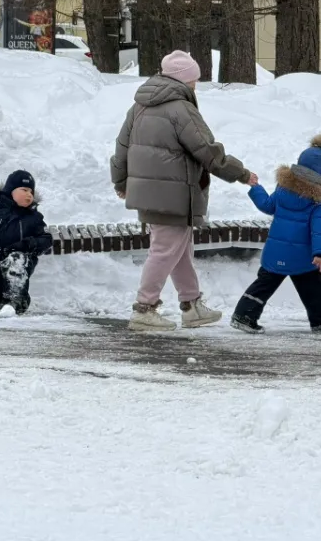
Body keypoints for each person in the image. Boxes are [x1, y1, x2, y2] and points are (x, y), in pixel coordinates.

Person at [111, 50, 258, 331]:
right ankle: (144, 308)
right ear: (183, 79)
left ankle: (191, 306)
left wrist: (121, 182)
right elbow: (208, 152)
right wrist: (241, 173)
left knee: (179, 249)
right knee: (166, 250)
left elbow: (122, 148)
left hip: (152, 193)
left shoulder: (139, 106)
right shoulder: (181, 109)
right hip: (175, 194)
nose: (195, 85)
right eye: (194, 80)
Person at [230, 135, 321, 334]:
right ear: (320, 174)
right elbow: (319, 229)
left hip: (276, 252)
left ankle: (244, 315)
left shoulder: (283, 190)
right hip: (302, 257)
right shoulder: (317, 201)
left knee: (263, 285)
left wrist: (256, 188)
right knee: (314, 288)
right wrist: (320, 254)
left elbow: (267, 205)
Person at [0, 170, 53, 315]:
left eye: (31, 191)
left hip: (20, 265)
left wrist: (25, 245)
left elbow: (46, 240)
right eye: (24, 190)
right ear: (10, 191)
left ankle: (16, 302)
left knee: (16, 258)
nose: (29, 194)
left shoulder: (34, 217)